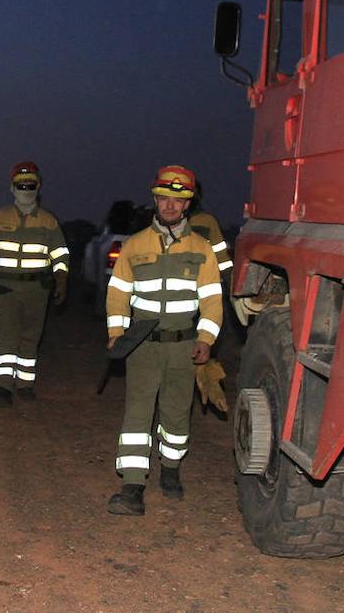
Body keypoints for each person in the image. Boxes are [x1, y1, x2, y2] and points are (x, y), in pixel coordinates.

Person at [104, 165, 223, 516]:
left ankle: (170, 469)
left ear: (187, 205)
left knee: (175, 415)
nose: (170, 206)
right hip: (141, 344)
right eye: (164, 198)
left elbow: (213, 300)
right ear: (154, 199)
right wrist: (116, 333)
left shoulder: (202, 248)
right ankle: (132, 485)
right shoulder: (135, 245)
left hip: (183, 347)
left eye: (178, 200)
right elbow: (117, 294)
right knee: (137, 414)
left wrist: (206, 339)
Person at [0, 161, 69, 406]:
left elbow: (60, 254)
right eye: (21, 185)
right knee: (6, 336)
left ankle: (25, 385)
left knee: (31, 336)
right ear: (12, 187)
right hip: (4, 289)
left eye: (30, 185)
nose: (25, 189)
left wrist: (61, 279)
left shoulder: (49, 221)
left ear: (38, 187)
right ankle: (2, 387)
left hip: (36, 290)